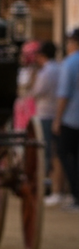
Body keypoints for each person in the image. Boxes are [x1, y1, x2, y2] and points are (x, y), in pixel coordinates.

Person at [30, 41, 64, 205]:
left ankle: (50, 187)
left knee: (47, 152)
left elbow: (37, 91)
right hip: (57, 112)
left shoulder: (46, 71)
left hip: (45, 113)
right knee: (55, 152)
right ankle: (57, 188)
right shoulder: (59, 68)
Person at [53, 27, 79, 212]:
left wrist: (57, 119)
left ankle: (76, 196)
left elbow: (64, 95)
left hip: (71, 118)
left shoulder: (70, 63)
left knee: (65, 154)